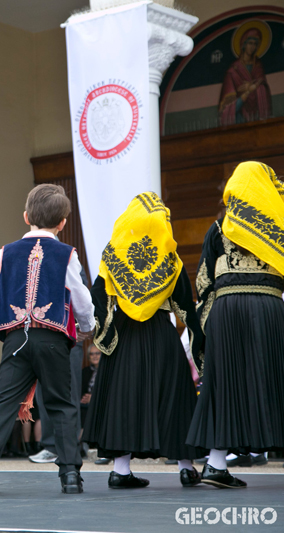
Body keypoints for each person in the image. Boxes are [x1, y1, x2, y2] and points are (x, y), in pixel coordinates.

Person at [0, 183, 95, 496]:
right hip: (52, 339)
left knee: (2, 405)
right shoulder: (66, 254)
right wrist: (87, 327)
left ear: (25, 217)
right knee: (62, 404)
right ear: (62, 222)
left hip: (16, 340)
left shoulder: (6, 252)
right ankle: (70, 475)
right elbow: (81, 298)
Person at [82, 192, 205, 489]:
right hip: (162, 337)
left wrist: (106, 333)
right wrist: (201, 344)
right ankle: (187, 468)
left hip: (124, 338)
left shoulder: (112, 253)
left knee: (124, 398)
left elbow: (99, 296)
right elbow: (185, 306)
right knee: (174, 400)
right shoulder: (170, 259)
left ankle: (121, 471)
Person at [187, 162, 284, 489]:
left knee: (223, 383)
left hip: (227, 310)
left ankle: (216, 464)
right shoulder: (282, 226)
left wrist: (210, 320)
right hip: (269, 308)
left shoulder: (218, 228)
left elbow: (203, 281)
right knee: (278, 378)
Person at [219, 27, 271, 126]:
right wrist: (247, 92)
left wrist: (255, 87)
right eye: (250, 43)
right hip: (240, 120)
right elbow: (227, 107)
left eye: (255, 44)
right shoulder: (233, 71)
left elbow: (261, 83)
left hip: (257, 118)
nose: (252, 47)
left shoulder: (258, 66)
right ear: (244, 44)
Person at [80, 345, 101, 428]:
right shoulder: (85, 371)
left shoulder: (108, 372)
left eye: (97, 353)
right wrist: (85, 398)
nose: (94, 356)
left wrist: (93, 398)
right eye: (91, 354)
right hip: (85, 405)